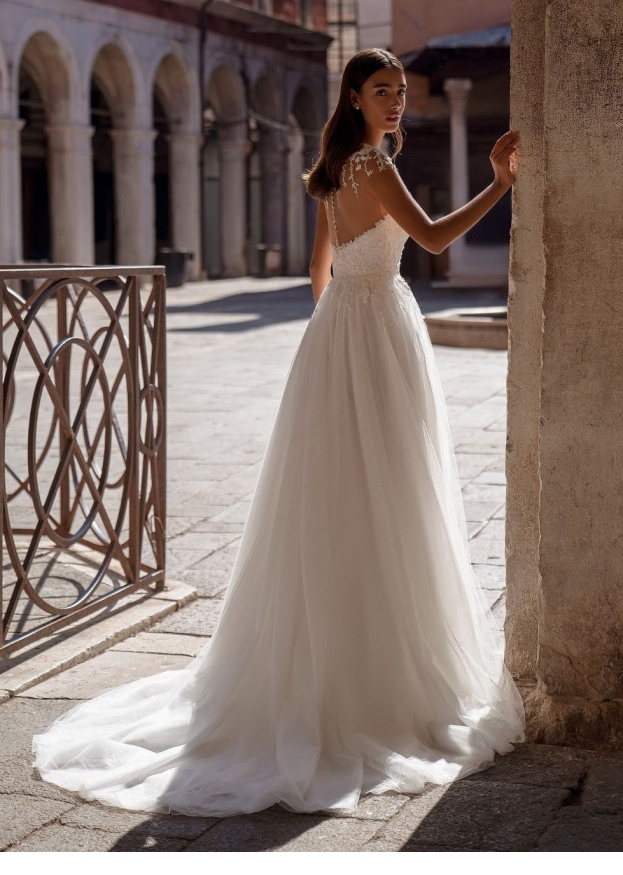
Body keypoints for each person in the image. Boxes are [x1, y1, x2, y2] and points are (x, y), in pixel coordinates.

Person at [32, 48, 525, 818]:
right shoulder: (374, 166)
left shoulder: (333, 174)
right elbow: (433, 242)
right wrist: (499, 183)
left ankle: (335, 655)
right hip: (377, 332)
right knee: (389, 491)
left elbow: (318, 271)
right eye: (381, 91)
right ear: (355, 97)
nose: (395, 102)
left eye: (400, 91)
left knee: (334, 494)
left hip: (337, 337)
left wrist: (343, 324)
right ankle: (376, 671)